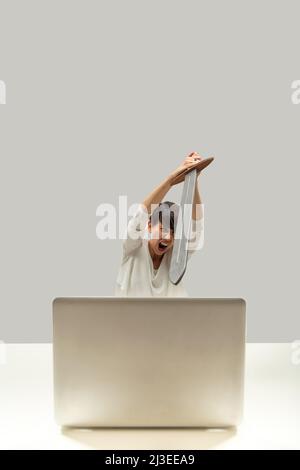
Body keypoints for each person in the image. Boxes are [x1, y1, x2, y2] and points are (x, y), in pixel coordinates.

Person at [115, 152, 206, 297]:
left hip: (175, 319)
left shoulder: (178, 256)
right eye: (163, 229)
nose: (168, 237)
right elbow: (141, 214)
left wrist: (192, 179)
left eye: (174, 232)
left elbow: (197, 225)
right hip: (130, 319)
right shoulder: (133, 247)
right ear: (149, 225)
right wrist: (170, 180)